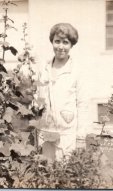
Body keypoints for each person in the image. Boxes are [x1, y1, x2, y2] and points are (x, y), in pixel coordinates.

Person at [37, 23, 90, 161]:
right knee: (46, 175)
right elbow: (39, 101)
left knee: (66, 177)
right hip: (46, 134)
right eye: (57, 41)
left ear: (71, 45)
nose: (61, 47)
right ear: (52, 42)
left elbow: (82, 105)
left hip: (68, 136)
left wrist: (80, 137)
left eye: (65, 42)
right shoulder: (44, 69)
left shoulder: (77, 71)